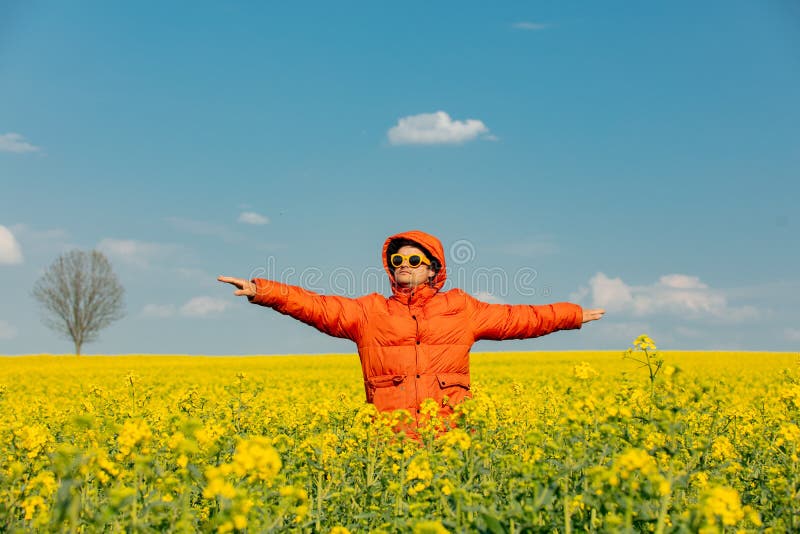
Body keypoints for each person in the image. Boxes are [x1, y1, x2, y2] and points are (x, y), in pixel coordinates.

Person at [218, 230, 604, 425]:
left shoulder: (461, 308)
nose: (404, 264)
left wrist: (571, 315)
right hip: (391, 441)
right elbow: (317, 306)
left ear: (434, 268)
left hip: (450, 440)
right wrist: (262, 290)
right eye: (397, 259)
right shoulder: (369, 312)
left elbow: (520, 319)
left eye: (415, 259)